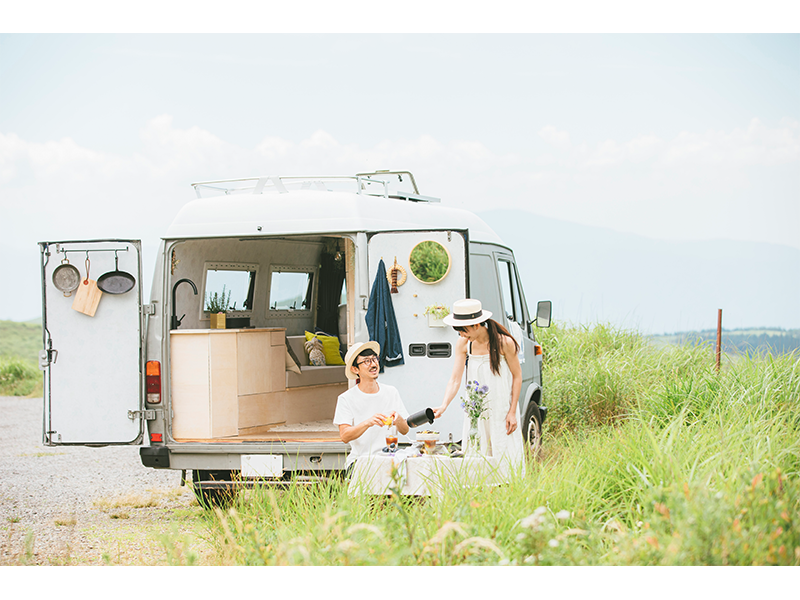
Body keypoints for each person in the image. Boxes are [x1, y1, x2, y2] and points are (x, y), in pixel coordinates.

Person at [434, 299, 525, 472]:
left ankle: (507, 488)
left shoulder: (504, 342)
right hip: (476, 408)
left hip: (501, 406)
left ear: (476, 324)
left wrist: (512, 412)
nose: (461, 334)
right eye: (458, 330)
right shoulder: (464, 344)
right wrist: (443, 405)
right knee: (477, 450)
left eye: (464, 330)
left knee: (503, 448)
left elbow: (517, 376)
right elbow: (455, 379)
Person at [333, 341, 410, 470]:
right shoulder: (346, 398)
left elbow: (405, 430)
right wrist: (368, 422)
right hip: (360, 462)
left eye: (375, 359)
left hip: (390, 460)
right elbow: (345, 436)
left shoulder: (391, 392)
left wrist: (399, 420)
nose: (374, 364)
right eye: (367, 361)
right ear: (355, 369)